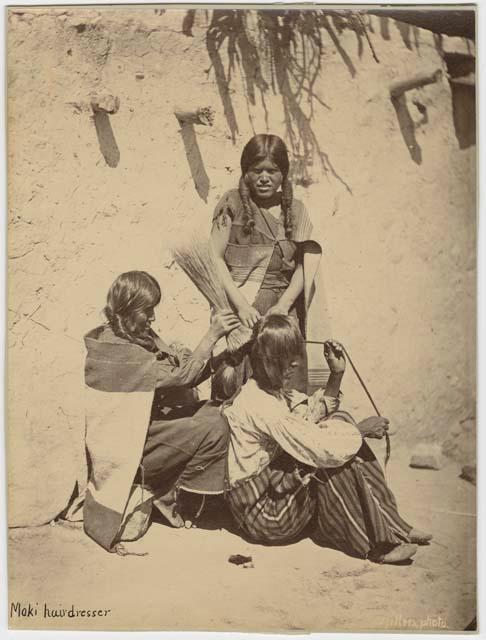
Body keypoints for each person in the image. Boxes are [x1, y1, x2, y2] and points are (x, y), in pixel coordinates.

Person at [222, 314, 432, 564]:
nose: (296, 365)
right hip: (263, 514)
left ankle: (394, 525)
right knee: (328, 459)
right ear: (268, 362)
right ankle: (376, 544)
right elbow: (319, 446)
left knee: (338, 424)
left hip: (274, 491)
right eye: (289, 361)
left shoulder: (270, 393)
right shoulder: (260, 405)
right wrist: (360, 431)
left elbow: (308, 416)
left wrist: (336, 375)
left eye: (295, 358)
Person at [83, 270, 240, 551]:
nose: (153, 317)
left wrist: (227, 355)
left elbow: (182, 371)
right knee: (213, 425)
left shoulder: (136, 335)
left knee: (217, 413)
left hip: (149, 427)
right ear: (128, 309)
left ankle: (174, 495)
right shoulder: (116, 350)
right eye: (148, 310)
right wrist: (213, 334)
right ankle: (180, 499)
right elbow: (181, 377)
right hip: (132, 446)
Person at [211, 133, 322, 394]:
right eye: (256, 170)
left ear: (283, 174)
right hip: (240, 308)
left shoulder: (296, 210)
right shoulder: (232, 203)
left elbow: (306, 264)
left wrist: (283, 306)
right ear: (245, 171)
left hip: (282, 312)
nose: (264, 177)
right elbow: (213, 257)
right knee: (238, 384)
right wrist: (240, 306)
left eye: (272, 171)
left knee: (286, 383)